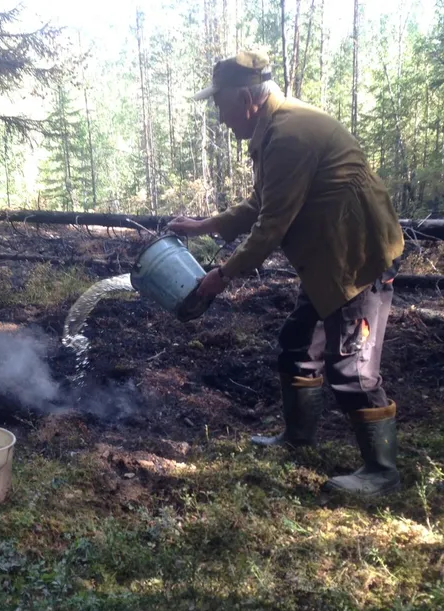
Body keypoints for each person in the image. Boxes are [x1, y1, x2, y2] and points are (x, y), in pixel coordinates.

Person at [168, 49, 404, 497]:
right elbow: (261, 204)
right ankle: (298, 439)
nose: (221, 118)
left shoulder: (290, 134)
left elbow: (270, 227)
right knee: (298, 344)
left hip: (358, 261)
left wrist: (221, 276)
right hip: (327, 263)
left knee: (352, 367)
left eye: (220, 105)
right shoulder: (276, 129)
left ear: (245, 99)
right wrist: (205, 226)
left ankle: (383, 472)